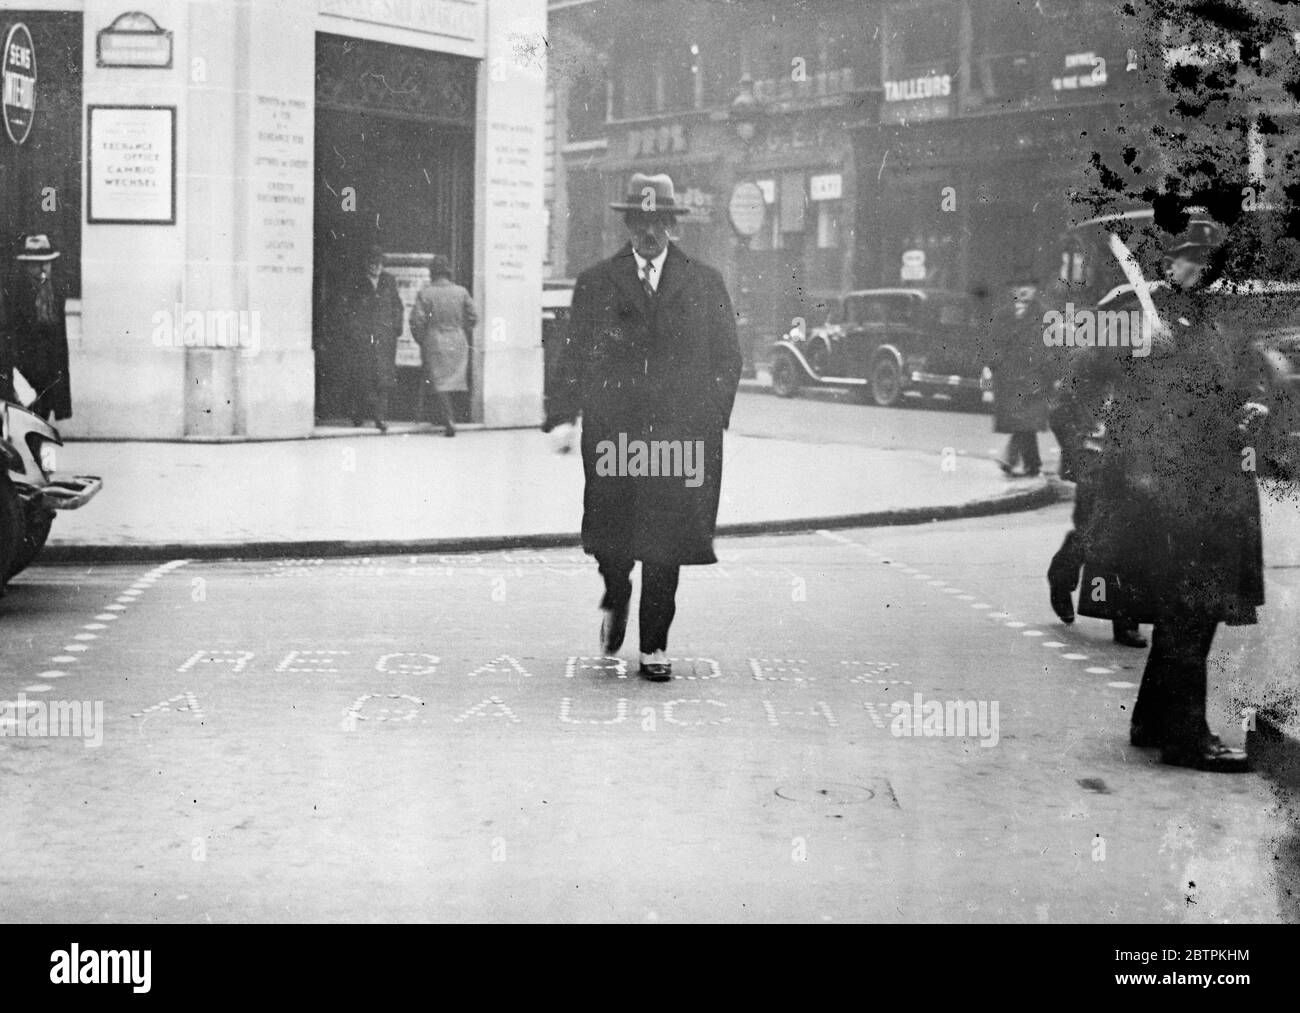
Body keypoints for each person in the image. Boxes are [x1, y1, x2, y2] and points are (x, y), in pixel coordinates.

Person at [1077, 220, 1266, 772]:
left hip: (1218, 483)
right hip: (1161, 487)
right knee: (1189, 607)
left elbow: (1251, 376)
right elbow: (1083, 381)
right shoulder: (1130, 310)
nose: (1203, 270)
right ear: (1169, 261)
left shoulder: (1223, 317)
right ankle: (1184, 737)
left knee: (1195, 611)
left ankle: (1154, 719)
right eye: (1192, 259)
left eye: (1211, 261)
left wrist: (1253, 405)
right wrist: (1137, 353)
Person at [544, 172, 742, 682]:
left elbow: (728, 356)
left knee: (666, 539)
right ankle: (616, 592)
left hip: (679, 436)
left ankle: (654, 644)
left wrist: (711, 417)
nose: (647, 231)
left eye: (657, 221)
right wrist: (564, 417)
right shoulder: (595, 283)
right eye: (639, 220)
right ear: (627, 224)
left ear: (672, 225)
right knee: (611, 535)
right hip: (615, 434)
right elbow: (573, 356)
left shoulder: (704, 282)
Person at [1045, 284, 1149, 648]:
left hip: (1135, 462)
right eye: (1130, 317)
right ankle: (1062, 574)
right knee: (1091, 533)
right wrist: (1080, 453)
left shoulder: (1148, 359)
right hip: (1097, 458)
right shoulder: (1088, 357)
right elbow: (1059, 409)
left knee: (1133, 539)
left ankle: (1126, 620)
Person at [985, 276, 1055, 477]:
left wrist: (1049, 374)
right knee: (1025, 423)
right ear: (1012, 289)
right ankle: (1032, 465)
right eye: (1019, 285)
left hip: (1034, 379)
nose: (1023, 290)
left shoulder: (1045, 315)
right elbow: (992, 344)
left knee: (1026, 420)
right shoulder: (1002, 315)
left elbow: (1052, 347)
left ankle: (1010, 458)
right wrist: (995, 366)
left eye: (1029, 286)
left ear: (1034, 290)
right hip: (1009, 380)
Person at [2, 234, 72, 421]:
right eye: (36, 264)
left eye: (47, 264)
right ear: (26, 267)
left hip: (48, 376)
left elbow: (60, 342)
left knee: (40, 428)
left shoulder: (55, 294)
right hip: (22, 377)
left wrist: (60, 390)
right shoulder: (14, 296)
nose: (42, 270)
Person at [409, 254, 476, 438]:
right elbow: (473, 316)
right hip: (457, 339)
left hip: (435, 341)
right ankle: (449, 417)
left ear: (432, 273)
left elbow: (416, 321)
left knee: (440, 383)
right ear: (448, 272)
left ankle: (448, 419)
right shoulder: (461, 292)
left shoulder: (426, 293)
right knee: (452, 380)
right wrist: (461, 330)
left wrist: (422, 339)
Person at [342, 244, 403, 432]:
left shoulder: (389, 281)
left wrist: (396, 328)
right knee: (364, 377)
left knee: (383, 379)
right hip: (364, 337)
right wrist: (355, 331)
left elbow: (397, 306)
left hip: (384, 337)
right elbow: (348, 310)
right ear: (366, 264)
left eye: (379, 263)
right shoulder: (356, 282)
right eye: (372, 263)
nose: (376, 267)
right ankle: (358, 413)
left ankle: (380, 418)